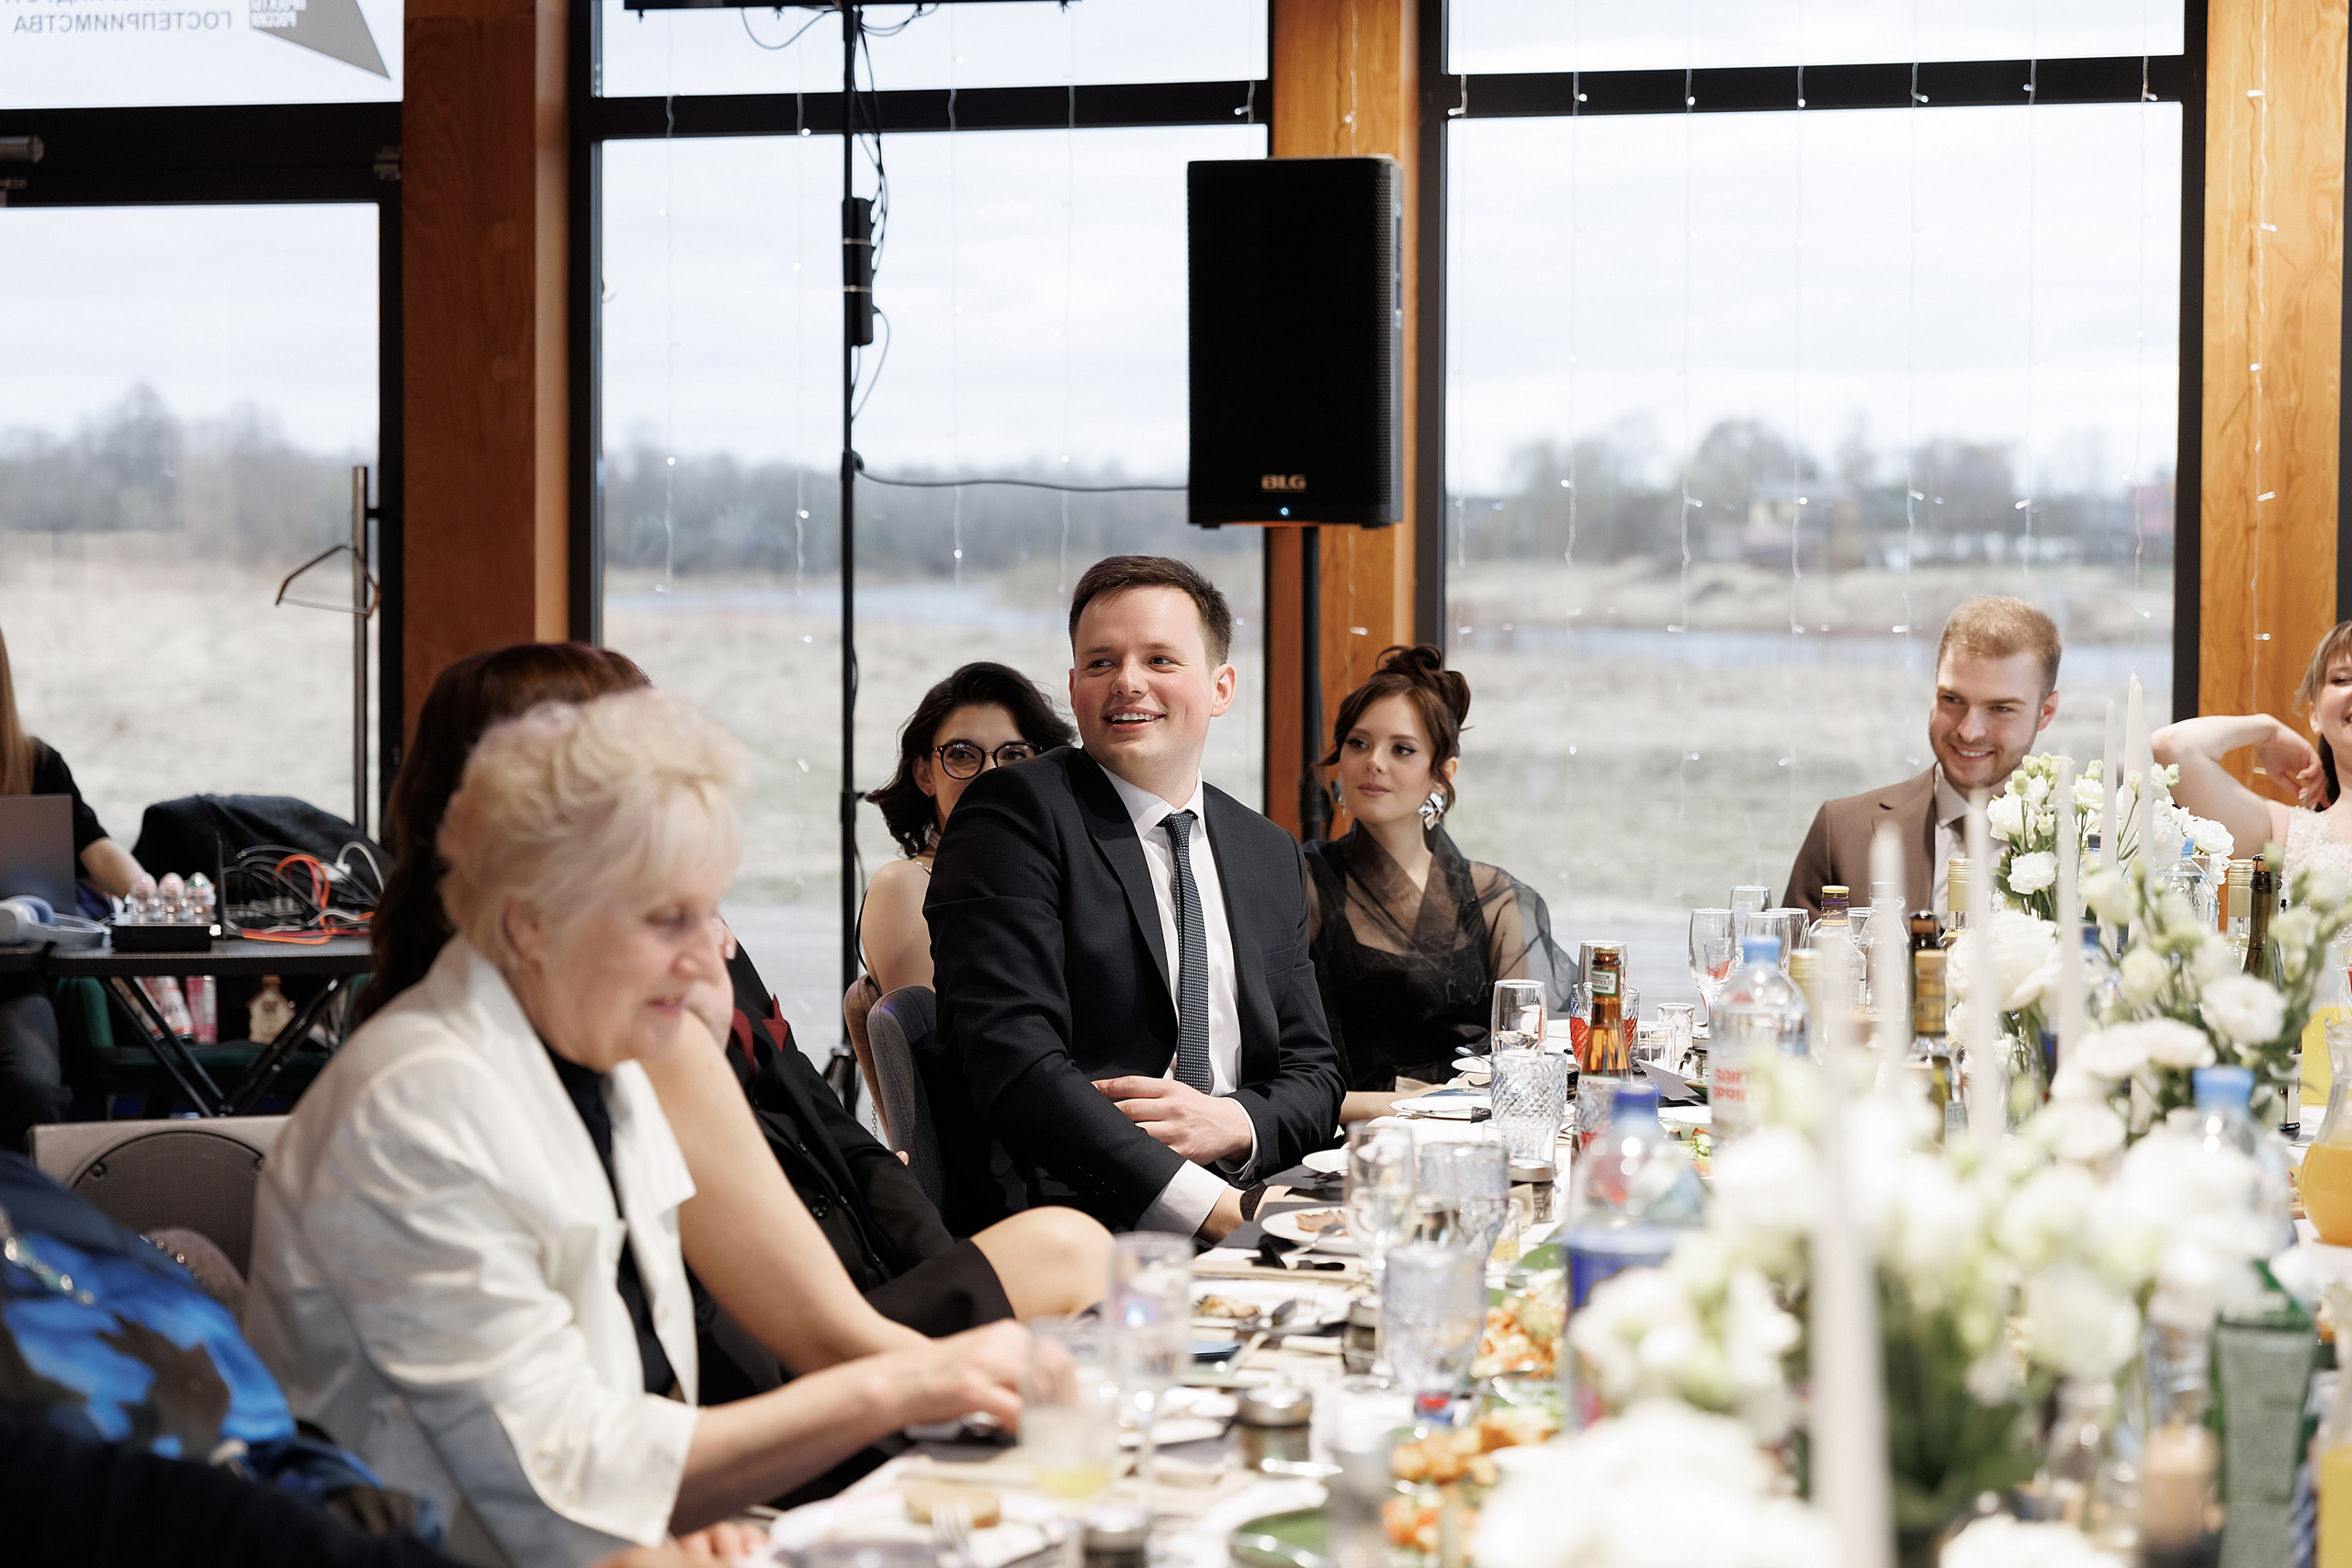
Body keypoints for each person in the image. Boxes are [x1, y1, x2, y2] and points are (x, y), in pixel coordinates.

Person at [245, 689, 1031, 1568]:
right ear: (528, 923)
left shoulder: (601, 1053)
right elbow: (560, 1469)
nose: (709, 959)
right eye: (667, 920)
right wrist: (898, 1383)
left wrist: (674, 1517)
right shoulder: (413, 1114)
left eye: (709, 912)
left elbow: (623, 1414)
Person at [356, 645, 1102, 1377]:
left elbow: (836, 1132)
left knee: (1072, 1264)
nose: (699, 946)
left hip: (835, 1290)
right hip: (751, 1343)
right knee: (1069, 1254)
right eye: (643, 772)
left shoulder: (669, 964)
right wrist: (937, 1372)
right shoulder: (462, 1060)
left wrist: (936, 1290)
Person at [926, 556, 1344, 1239]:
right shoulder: (1013, 816)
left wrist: (1234, 1122)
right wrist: (1212, 1209)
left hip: (1255, 1194)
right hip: (1086, 1221)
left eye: (1159, 659)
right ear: (1073, 686)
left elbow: (1315, 1072)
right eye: (1100, 663)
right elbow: (1017, 1068)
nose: (1127, 682)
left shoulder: (1266, 849)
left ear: (1220, 687)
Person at [1304, 646, 1572, 1122]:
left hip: (1477, 1130)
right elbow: (1285, 1068)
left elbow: (1528, 1061)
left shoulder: (1496, 899)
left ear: (1442, 774)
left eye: (1401, 749)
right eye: (1358, 744)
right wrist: (1419, 1105)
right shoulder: (1305, 880)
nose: (1374, 763)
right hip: (1351, 1139)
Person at [1781, 595, 2063, 916]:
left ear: (2046, 712)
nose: (1970, 731)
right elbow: (1793, 961)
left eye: (2000, 708)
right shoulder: (1842, 832)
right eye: (1952, 699)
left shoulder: (2090, 841)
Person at [0, 622, 149, 1150]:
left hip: (13, 983)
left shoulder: (35, 762)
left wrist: (146, 889)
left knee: (32, 1087)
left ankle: (36, 1222)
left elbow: (96, 850)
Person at [860, 662, 1077, 996]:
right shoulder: (903, 886)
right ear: (924, 775)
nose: (991, 774)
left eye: (1014, 754)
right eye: (961, 754)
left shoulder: (1058, 878)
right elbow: (940, 1045)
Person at [2154, 620, 2352, 882]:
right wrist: (2267, 730)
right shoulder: (2284, 833)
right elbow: (2172, 746)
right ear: (2315, 715)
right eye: (2342, 679)